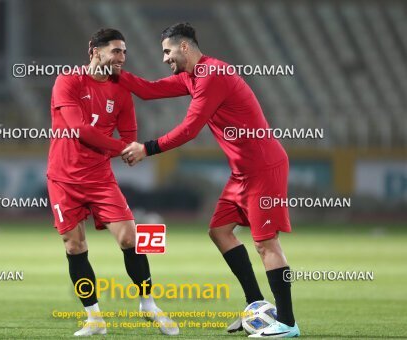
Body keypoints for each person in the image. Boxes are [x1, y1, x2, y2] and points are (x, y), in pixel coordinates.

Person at [119, 22, 300, 338]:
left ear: (184, 47)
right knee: (219, 231)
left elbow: (189, 129)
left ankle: (287, 323)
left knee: (266, 243)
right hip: (242, 173)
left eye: (167, 51)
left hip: (263, 168)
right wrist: (112, 73)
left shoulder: (212, 75)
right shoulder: (192, 76)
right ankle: (257, 304)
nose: (164, 59)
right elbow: (148, 90)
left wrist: (146, 148)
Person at [47, 28, 178, 336]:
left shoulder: (121, 91)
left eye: (124, 53)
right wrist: (124, 149)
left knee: (130, 238)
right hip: (63, 179)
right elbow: (79, 129)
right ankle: (94, 318)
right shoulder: (67, 81)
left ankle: (148, 304)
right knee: (74, 246)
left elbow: (129, 133)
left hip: (100, 178)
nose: (122, 58)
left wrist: (132, 150)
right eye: (116, 51)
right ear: (94, 50)